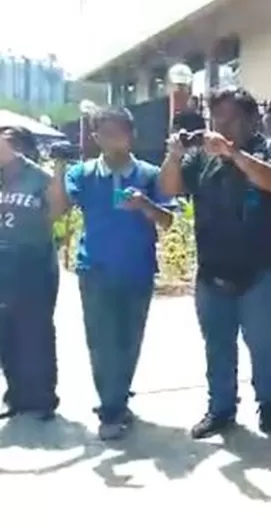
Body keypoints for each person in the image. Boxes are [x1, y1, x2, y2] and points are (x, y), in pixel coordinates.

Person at [160, 87, 271, 439]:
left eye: (229, 117)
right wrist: (173, 157)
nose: (221, 124)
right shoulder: (201, 157)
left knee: (261, 342)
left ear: (251, 118)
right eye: (216, 117)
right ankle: (220, 408)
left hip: (256, 270)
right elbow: (169, 189)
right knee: (217, 344)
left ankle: (269, 403)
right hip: (211, 269)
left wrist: (233, 154)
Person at [63, 107, 175, 440]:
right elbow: (59, 204)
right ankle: (110, 407)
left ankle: (118, 397)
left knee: (129, 340)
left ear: (132, 134)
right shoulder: (82, 174)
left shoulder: (149, 174)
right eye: (105, 133)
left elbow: (168, 220)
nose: (113, 140)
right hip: (94, 270)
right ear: (95, 138)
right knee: (101, 342)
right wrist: (56, 168)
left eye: (119, 132)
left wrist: (144, 205)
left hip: (137, 271)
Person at [0, 126, 68, 421]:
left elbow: (57, 212)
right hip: (3, 263)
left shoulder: (39, 178)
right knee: (6, 331)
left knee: (37, 330)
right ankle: (16, 395)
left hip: (35, 264)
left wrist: (60, 170)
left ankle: (42, 398)